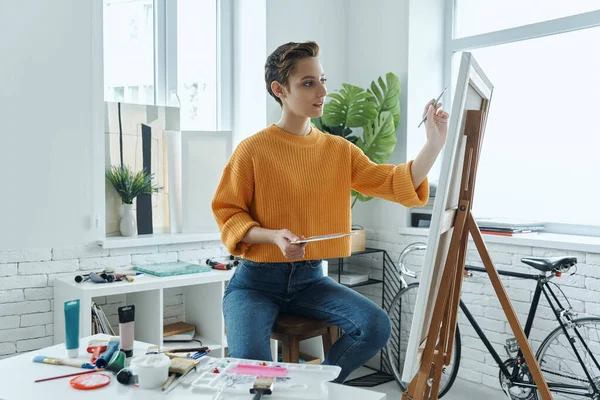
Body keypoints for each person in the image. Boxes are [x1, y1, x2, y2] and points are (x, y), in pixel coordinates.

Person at [212, 41, 448, 383]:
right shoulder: (252, 150)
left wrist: (434, 143)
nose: (322, 90)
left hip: (311, 280)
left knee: (375, 326)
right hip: (255, 283)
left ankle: (317, 387)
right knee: (251, 371)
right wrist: (273, 236)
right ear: (280, 89)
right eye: (308, 82)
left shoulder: (339, 150)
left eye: (322, 80)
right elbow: (229, 213)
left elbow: (394, 181)